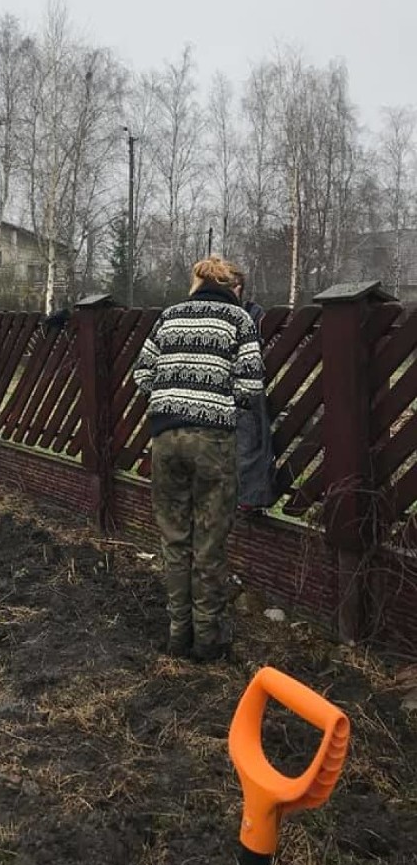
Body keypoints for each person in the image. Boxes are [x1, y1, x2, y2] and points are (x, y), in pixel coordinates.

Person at [133, 256, 265, 662]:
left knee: (175, 539)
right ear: (230, 284)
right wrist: (218, 402)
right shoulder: (238, 320)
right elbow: (251, 385)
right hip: (212, 441)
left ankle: (177, 635)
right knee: (209, 541)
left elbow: (141, 375)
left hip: (165, 438)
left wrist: (171, 397)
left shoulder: (169, 317)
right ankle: (207, 641)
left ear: (196, 281)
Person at [228, 268, 279, 513]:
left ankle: (250, 500)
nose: (231, 290)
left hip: (245, 389)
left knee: (249, 443)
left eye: (235, 285)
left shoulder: (254, 314)